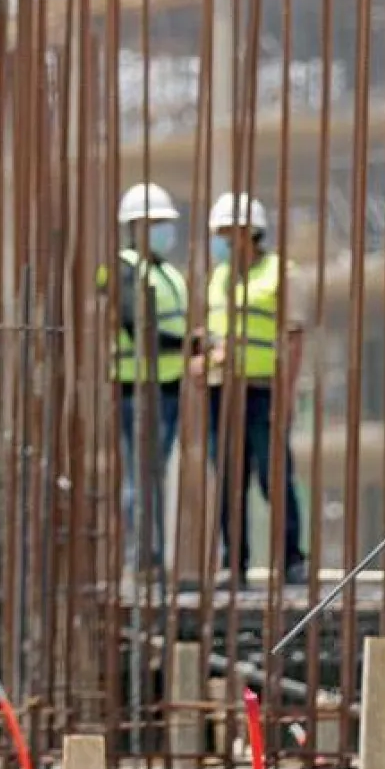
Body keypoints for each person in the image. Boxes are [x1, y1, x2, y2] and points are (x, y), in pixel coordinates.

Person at [190, 192, 308, 589]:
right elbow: (213, 331)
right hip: (222, 392)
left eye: (229, 232)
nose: (223, 241)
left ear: (250, 233)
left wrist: (286, 396)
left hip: (263, 391)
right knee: (228, 480)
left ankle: (291, 560)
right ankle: (233, 564)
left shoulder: (280, 273)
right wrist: (201, 357)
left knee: (275, 478)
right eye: (220, 233)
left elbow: (293, 339)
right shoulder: (219, 276)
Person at [100, 182, 190, 582]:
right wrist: (190, 344)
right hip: (136, 388)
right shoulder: (122, 269)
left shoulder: (165, 272)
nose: (163, 231)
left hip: (167, 387)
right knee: (140, 476)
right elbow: (138, 329)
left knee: (154, 475)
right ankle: (142, 558)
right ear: (134, 226)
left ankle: (152, 557)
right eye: (155, 223)